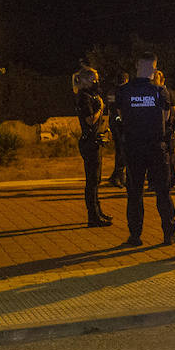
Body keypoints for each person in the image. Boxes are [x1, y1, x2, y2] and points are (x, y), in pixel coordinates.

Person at [114, 56, 175, 246]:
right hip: (156, 147)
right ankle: (168, 234)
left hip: (133, 147)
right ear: (154, 67)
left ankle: (135, 235)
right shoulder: (160, 91)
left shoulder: (123, 91)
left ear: (137, 66)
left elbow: (119, 117)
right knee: (163, 192)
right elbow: (166, 120)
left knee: (134, 193)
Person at [73, 66, 114, 228]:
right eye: (93, 79)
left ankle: (98, 211)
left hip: (95, 141)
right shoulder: (84, 97)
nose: (96, 81)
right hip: (89, 142)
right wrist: (101, 108)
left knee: (96, 180)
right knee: (92, 181)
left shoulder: (91, 94)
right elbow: (90, 119)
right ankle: (93, 216)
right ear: (85, 80)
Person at [105, 71, 128, 187]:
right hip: (121, 124)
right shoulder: (123, 91)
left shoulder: (111, 91)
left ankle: (116, 176)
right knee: (123, 151)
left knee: (119, 150)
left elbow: (110, 107)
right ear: (126, 80)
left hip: (113, 122)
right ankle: (118, 176)